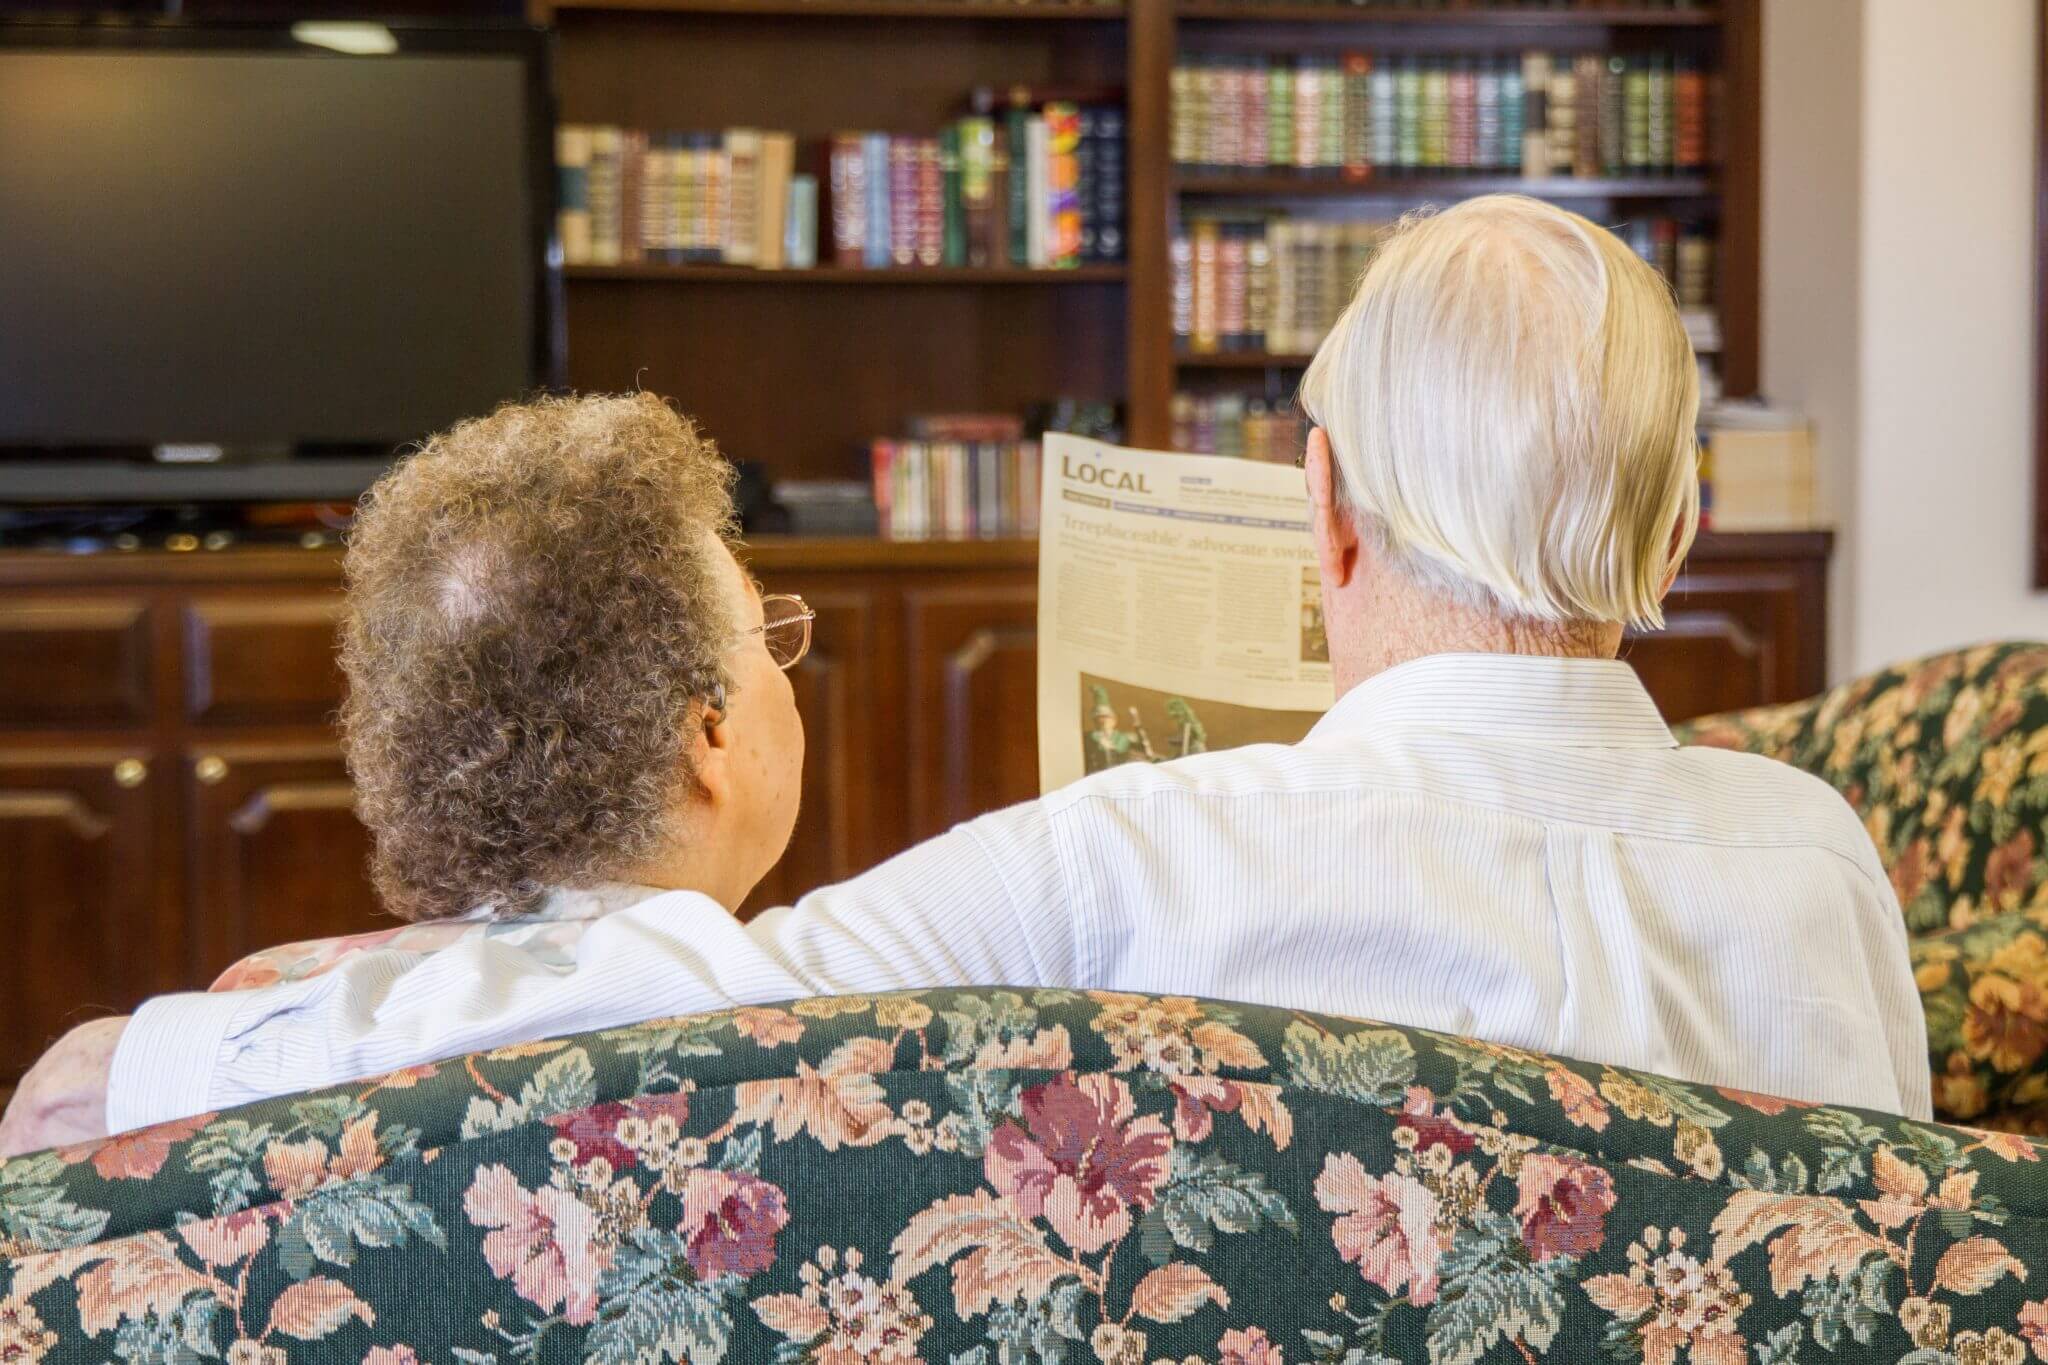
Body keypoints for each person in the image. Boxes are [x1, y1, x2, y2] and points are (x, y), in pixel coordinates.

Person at [3, 195, 1932, 1153]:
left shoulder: (1138, 857)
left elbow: (687, 1003)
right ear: (1684, 539)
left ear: (1320, 513)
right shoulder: (1826, 869)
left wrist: (167, 1052)